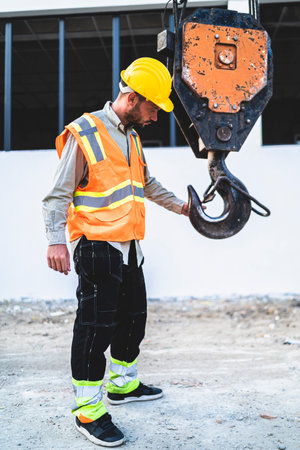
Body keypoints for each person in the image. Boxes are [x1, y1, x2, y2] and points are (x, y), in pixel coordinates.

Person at [42, 57, 188, 447]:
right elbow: (57, 194)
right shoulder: (85, 131)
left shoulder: (131, 135)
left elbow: (147, 182)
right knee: (95, 329)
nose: (155, 117)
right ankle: (88, 410)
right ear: (133, 97)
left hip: (128, 247)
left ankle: (123, 385)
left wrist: (183, 207)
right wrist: (56, 240)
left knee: (132, 319)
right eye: (153, 107)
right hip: (96, 246)